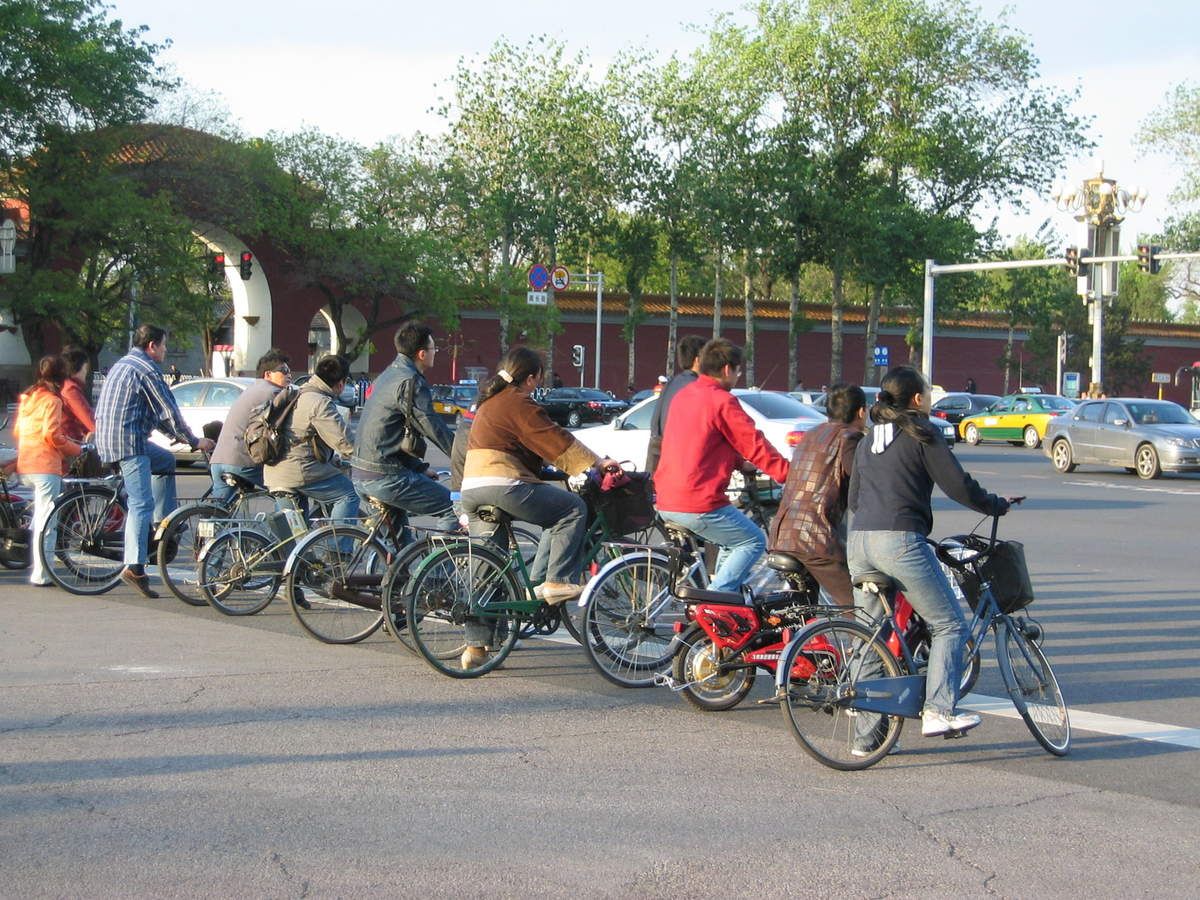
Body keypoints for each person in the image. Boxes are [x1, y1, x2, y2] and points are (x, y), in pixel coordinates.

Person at [848, 365, 1011, 745]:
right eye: (928, 392)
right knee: (949, 625)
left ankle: (865, 740)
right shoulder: (922, 432)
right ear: (918, 398)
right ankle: (939, 711)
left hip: (859, 542)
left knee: (871, 637)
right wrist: (994, 505)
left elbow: (854, 498)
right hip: (899, 541)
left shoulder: (868, 440)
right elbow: (958, 485)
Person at [460, 347, 615, 668]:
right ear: (532, 378)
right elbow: (555, 439)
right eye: (539, 379)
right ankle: (555, 580)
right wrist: (597, 463)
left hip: (472, 489)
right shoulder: (518, 401)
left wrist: (554, 472)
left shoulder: (490, 402)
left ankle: (476, 649)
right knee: (571, 509)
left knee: (488, 569)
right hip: (503, 484)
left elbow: (524, 452)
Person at [654, 338, 790, 593]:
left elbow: (700, 442)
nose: (738, 377)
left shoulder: (684, 395)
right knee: (753, 540)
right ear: (727, 369)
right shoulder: (721, 401)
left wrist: (738, 463)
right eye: (738, 371)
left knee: (733, 541)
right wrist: (788, 474)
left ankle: (722, 601)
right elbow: (754, 443)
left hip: (666, 496)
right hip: (697, 501)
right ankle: (714, 602)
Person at [96, 324, 215, 598]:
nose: (165, 350)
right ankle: (135, 567)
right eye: (163, 345)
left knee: (165, 461)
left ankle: (163, 524)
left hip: (112, 438)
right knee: (141, 504)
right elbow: (168, 410)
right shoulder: (147, 370)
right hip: (128, 442)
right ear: (152, 345)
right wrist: (193, 440)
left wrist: (174, 436)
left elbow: (152, 413)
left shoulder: (124, 364)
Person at [768, 383, 867, 607]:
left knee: (804, 610)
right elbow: (862, 482)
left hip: (783, 535)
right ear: (861, 412)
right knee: (859, 607)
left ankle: (807, 630)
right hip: (814, 539)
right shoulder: (850, 438)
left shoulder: (810, 434)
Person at [353, 321, 457, 531]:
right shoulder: (411, 382)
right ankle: (442, 555)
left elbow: (387, 432)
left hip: (362, 471)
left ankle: (387, 555)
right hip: (385, 476)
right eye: (434, 349)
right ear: (422, 354)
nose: (435, 353)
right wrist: (465, 457)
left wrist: (418, 468)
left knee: (397, 542)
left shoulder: (388, 375)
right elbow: (433, 427)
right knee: (453, 508)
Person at [264, 353, 358, 524]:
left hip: (274, 473)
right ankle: (340, 542)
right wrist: (369, 458)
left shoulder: (298, 392)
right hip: (298, 472)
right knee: (349, 495)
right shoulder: (319, 402)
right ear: (341, 383)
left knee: (296, 535)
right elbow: (344, 441)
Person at [15, 356, 84, 587]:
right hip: (45, 466)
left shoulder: (29, 397)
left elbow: (18, 430)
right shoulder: (53, 400)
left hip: (26, 463)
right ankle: (42, 574)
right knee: (47, 523)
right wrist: (76, 448)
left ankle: (33, 561)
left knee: (40, 519)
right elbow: (52, 434)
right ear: (61, 376)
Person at [208, 349, 292, 502]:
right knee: (286, 488)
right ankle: (285, 519)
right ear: (268, 374)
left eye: (289, 371)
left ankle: (206, 517)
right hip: (243, 462)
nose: (289, 375)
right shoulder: (274, 393)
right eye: (284, 371)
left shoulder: (251, 389)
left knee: (217, 510)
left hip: (219, 460)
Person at [645, 334, 706, 474]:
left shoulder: (671, 384)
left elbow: (656, 424)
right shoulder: (697, 388)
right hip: (684, 464)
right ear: (698, 360)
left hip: (661, 461)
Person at [59, 346, 96, 443]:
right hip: (68, 443)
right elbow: (91, 422)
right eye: (85, 368)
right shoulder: (70, 390)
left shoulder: (62, 385)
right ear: (78, 368)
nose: (86, 373)